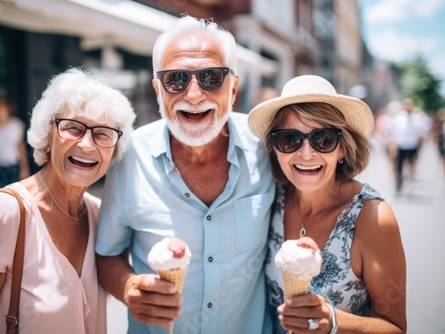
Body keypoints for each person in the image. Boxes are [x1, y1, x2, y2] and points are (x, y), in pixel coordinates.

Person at [96, 15, 275, 334]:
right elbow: (107, 255)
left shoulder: (268, 150)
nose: (193, 95)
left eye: (210, 77)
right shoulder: (128, 156)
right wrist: (128, 287)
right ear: (157, 90)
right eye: (176, 79)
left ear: (233, 88)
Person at [0, 68, 136, 333]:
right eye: (73, 128)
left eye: (103, 133)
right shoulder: (5, 210)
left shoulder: (100, 215)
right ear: (47, 134)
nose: (87, 145)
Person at [248, 75, 407, 333]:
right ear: (275, 149)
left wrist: (333, 321)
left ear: (342, 148)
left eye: (323, 139)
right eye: (290, 139)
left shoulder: (373, 217)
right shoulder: (272, 199)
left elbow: (396, 327)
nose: (307, 153)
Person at [0, 96, 30, 192]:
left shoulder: (17, 125)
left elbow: (20, 146)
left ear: (8, 109)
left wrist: (24, 167)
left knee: (14, 192)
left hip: (12, 164)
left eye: (1, 107)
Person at [386, 98, 429, 193]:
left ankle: (409, 182)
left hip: (412, 145)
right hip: (401, 145)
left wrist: (419, 145)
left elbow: (421, 132)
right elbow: (391, 131)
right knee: (399, 166)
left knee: (410, 165)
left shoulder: (416, 118)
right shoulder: (398, 118)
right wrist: (393, 144)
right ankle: (399, 184)